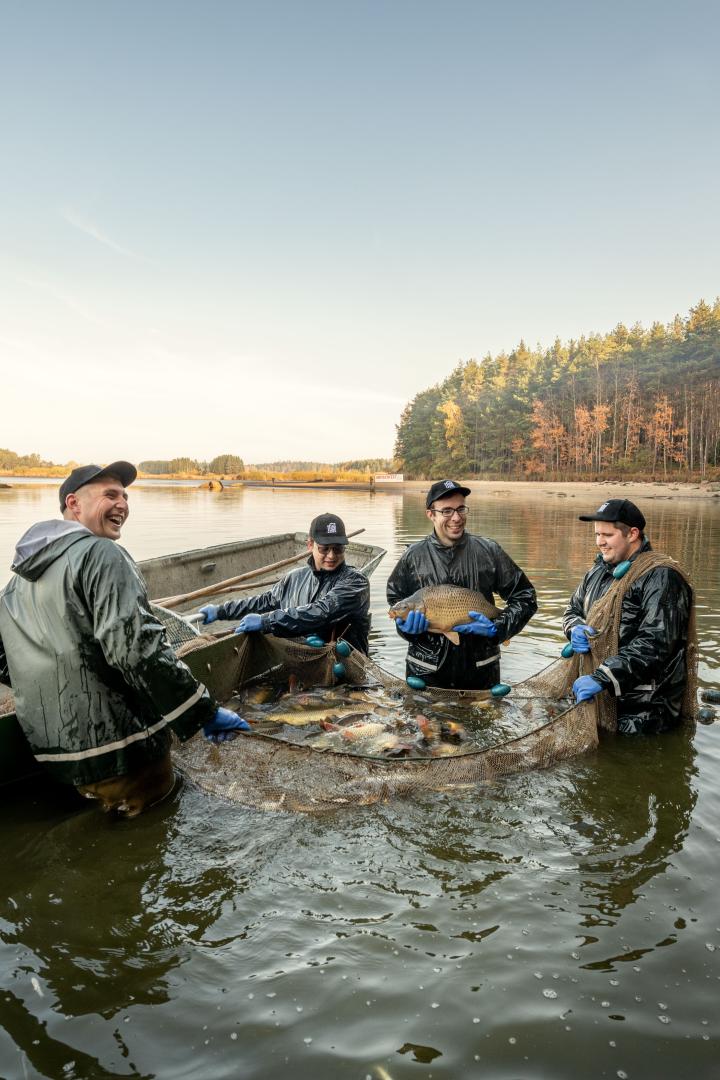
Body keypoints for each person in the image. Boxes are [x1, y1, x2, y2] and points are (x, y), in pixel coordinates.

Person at [0, 461, 248, 816]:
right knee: (155, 832)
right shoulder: (101, 554)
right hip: (122, 750)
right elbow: (135, 649)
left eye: (126, 496)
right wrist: (203, 712)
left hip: (56, 758)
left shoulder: (15, 585)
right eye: (110, 495)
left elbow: (5, 657)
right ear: (74, 504)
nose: (123, 505)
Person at [386, 480, 537, 689]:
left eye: (460, 509)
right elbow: (396, 601)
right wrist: (407, 630)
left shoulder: (489, 551)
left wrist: (499, 628)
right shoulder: (412, 556)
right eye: (446, 511)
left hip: (481, 670)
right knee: (422, 723)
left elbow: (525, 596)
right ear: (431, 514)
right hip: (425, 671)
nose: (456, 518)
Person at [563, 498, 693, 735]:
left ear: (633, 534)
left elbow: (656, 644)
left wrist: (603, 677)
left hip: (645, 715)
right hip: (602, 699)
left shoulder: (662, 576)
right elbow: (572, 609)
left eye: (607, 535)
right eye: (597, 534)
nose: (599, 542)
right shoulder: (598, 570)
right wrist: (575, 628)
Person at [199, 513, 371, 653]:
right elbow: (264, 602)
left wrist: (267, 621)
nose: (332, 555)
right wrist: (220, 611)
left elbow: (322, 611)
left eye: (338, 548)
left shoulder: (356, 582)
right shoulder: (295, 578)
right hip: (302, 664)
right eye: (325, 548)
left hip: (345, 671)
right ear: (310, 545)